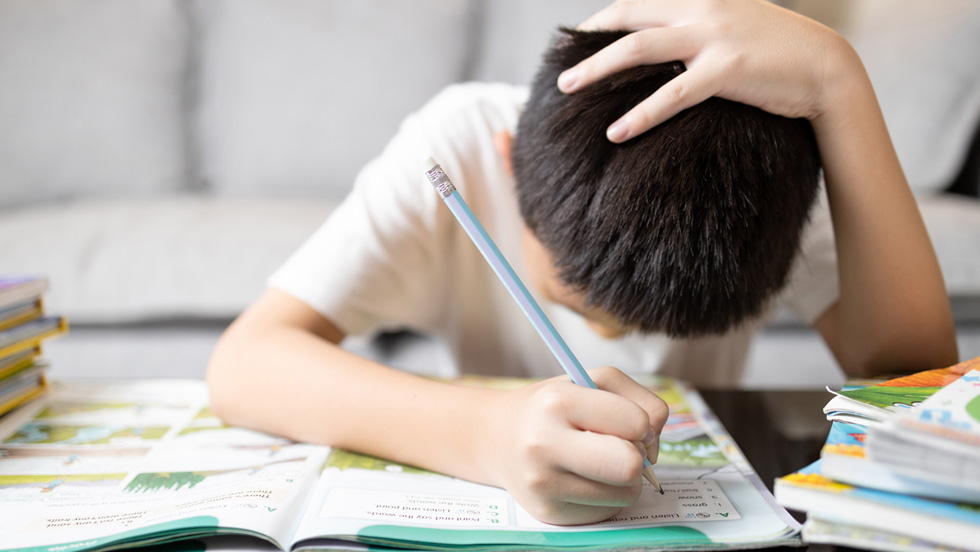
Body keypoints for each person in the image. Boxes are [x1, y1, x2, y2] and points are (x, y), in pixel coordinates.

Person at [206, 0, 958, 526]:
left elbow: (917, 387)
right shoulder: (460, 146)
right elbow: (245, 363)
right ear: (507, 166)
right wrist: (487, 436)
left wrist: (839, 82)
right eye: (570, 302)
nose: (611, 337)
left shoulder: (760, 192)